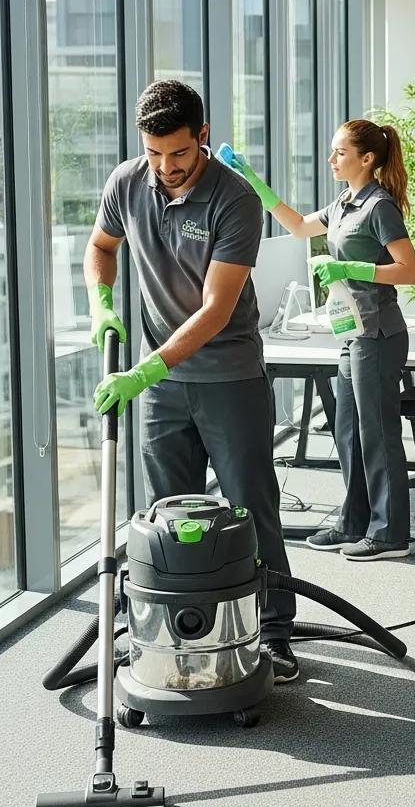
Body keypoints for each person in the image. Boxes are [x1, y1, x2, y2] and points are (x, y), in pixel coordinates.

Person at [85, 80, 299, 681]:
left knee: (251, 507)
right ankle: (165, 629)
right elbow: (100, 246)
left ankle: (276, 632)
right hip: (159, 386)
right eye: (154, 154)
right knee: (163, 515)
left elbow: (216, 309)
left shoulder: (235, 199)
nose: (165, 167)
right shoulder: (128, 182)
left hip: (228, 375)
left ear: (202, 137)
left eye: (177, 154)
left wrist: (149, 365)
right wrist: (101, 301)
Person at [221, 119, 415, 561]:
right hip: (353, 335)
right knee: (348, 431)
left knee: (378, 433)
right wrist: (250, 178)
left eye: (339, 153)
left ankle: (390, 536)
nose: (331, 160)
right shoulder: (345, 203)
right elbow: (296, 226)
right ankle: (354, 522)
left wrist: (349, 269)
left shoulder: (379, 206)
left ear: (366, 159)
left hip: (379, 334)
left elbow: (410, 270)